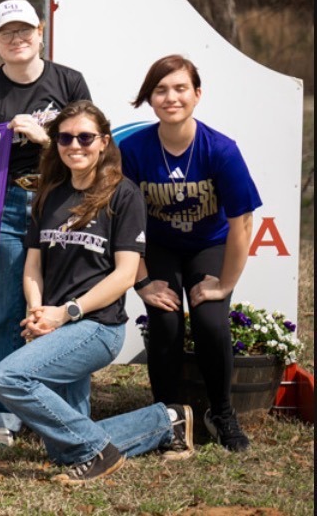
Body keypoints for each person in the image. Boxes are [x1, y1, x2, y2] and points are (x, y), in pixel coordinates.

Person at [0, 100, 194, 484]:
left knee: (8, 378)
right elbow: (33, 263)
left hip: (96, 326)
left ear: (103, 142)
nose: (75, 145)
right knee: (63, 447)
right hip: (54, 324)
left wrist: (65, 313)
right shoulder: (50, 193)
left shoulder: (123, 195)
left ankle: (97, 452)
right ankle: (167, 420)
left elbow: (125, 274)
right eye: (65, 138)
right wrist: (37, 311)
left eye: (85, 137)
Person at [0, 0, 92, 447]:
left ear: (41, 31)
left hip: (61, 202)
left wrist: (46, 138)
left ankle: (64, 412)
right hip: (9, 204)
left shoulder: (68, 81)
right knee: (0, 312)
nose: (17, 39)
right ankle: (0, 414)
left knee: (60, 309)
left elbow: (90, 148)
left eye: (25, 30)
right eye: (7, 33)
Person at [120, 55, 262, 452]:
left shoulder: (221, 150)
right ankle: (165, 417)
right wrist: (143, 280)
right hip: (158, 245)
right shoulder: (133, 150)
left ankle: (220, 412)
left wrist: (225, 284)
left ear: (197, 94)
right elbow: (124, 223)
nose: (171, 97)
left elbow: (242, 224)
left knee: (211, 322)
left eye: (180, 88)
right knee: (164, 322)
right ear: (150, 98)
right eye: (161, 89)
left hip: (208, 245)